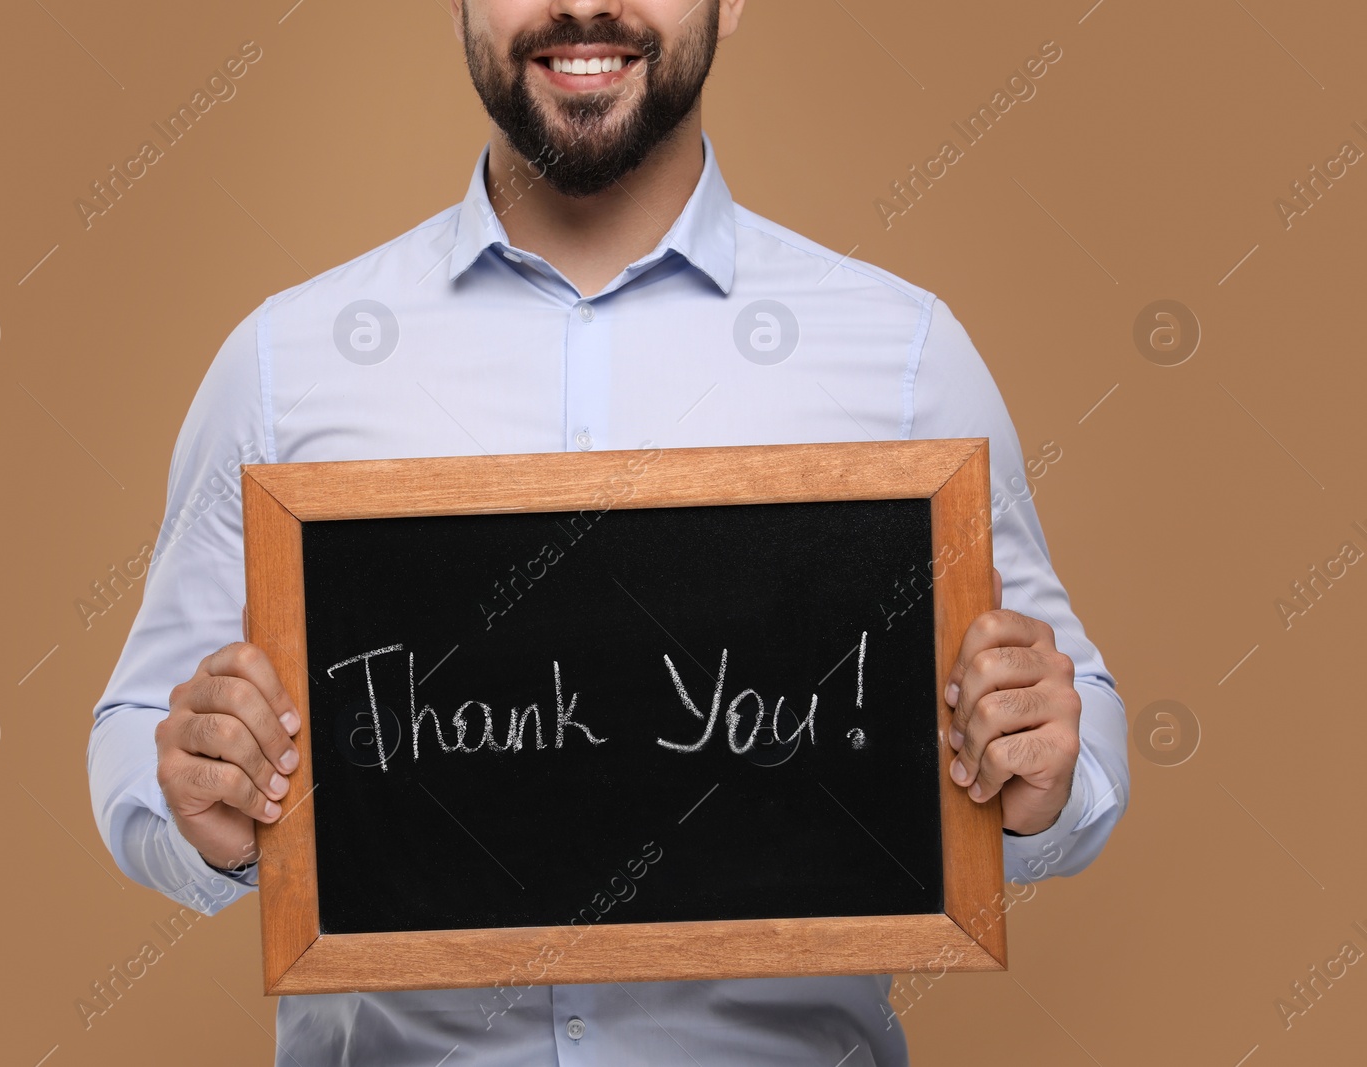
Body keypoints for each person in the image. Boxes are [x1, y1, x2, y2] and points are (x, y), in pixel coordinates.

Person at [86, 1, 1130, 1063]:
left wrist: (1044, 771)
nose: (582, 4)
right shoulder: (286, 363)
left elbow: (1069, 732)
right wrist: (202, 815)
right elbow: (137, 730)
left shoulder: (900, 357)